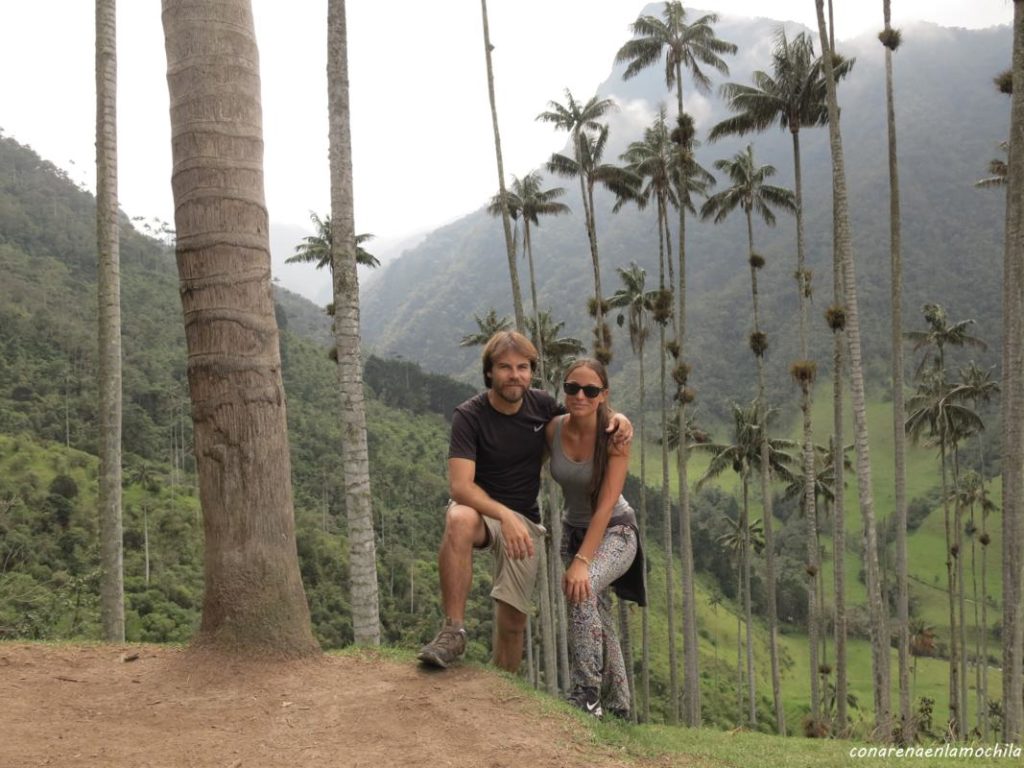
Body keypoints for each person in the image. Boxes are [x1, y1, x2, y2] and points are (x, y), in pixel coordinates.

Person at [417, 331, 632, 672]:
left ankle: (502, 693)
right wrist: (504, 515)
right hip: (484, 514)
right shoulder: (469, 416)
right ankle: (453, 631)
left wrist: (619, 419)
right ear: (490, 372)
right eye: (504, 367)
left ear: (531, 372)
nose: (514, 375)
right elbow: (460, 487)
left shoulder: (542, 406)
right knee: (457, 518)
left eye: (522, 367)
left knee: (513, 622)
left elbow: (585, 413)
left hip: (526, 521)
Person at [546, 358, 645, 720]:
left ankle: (587, 694)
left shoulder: (614, 436)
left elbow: (605, 505)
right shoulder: (552, 429)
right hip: (572, 532)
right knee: (596, 616)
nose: (580, 396)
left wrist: (583, 562)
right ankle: (619, 706)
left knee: (582, 590)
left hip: (615, 531)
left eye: (590, 390)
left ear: (604, 395)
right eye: (572, 388)